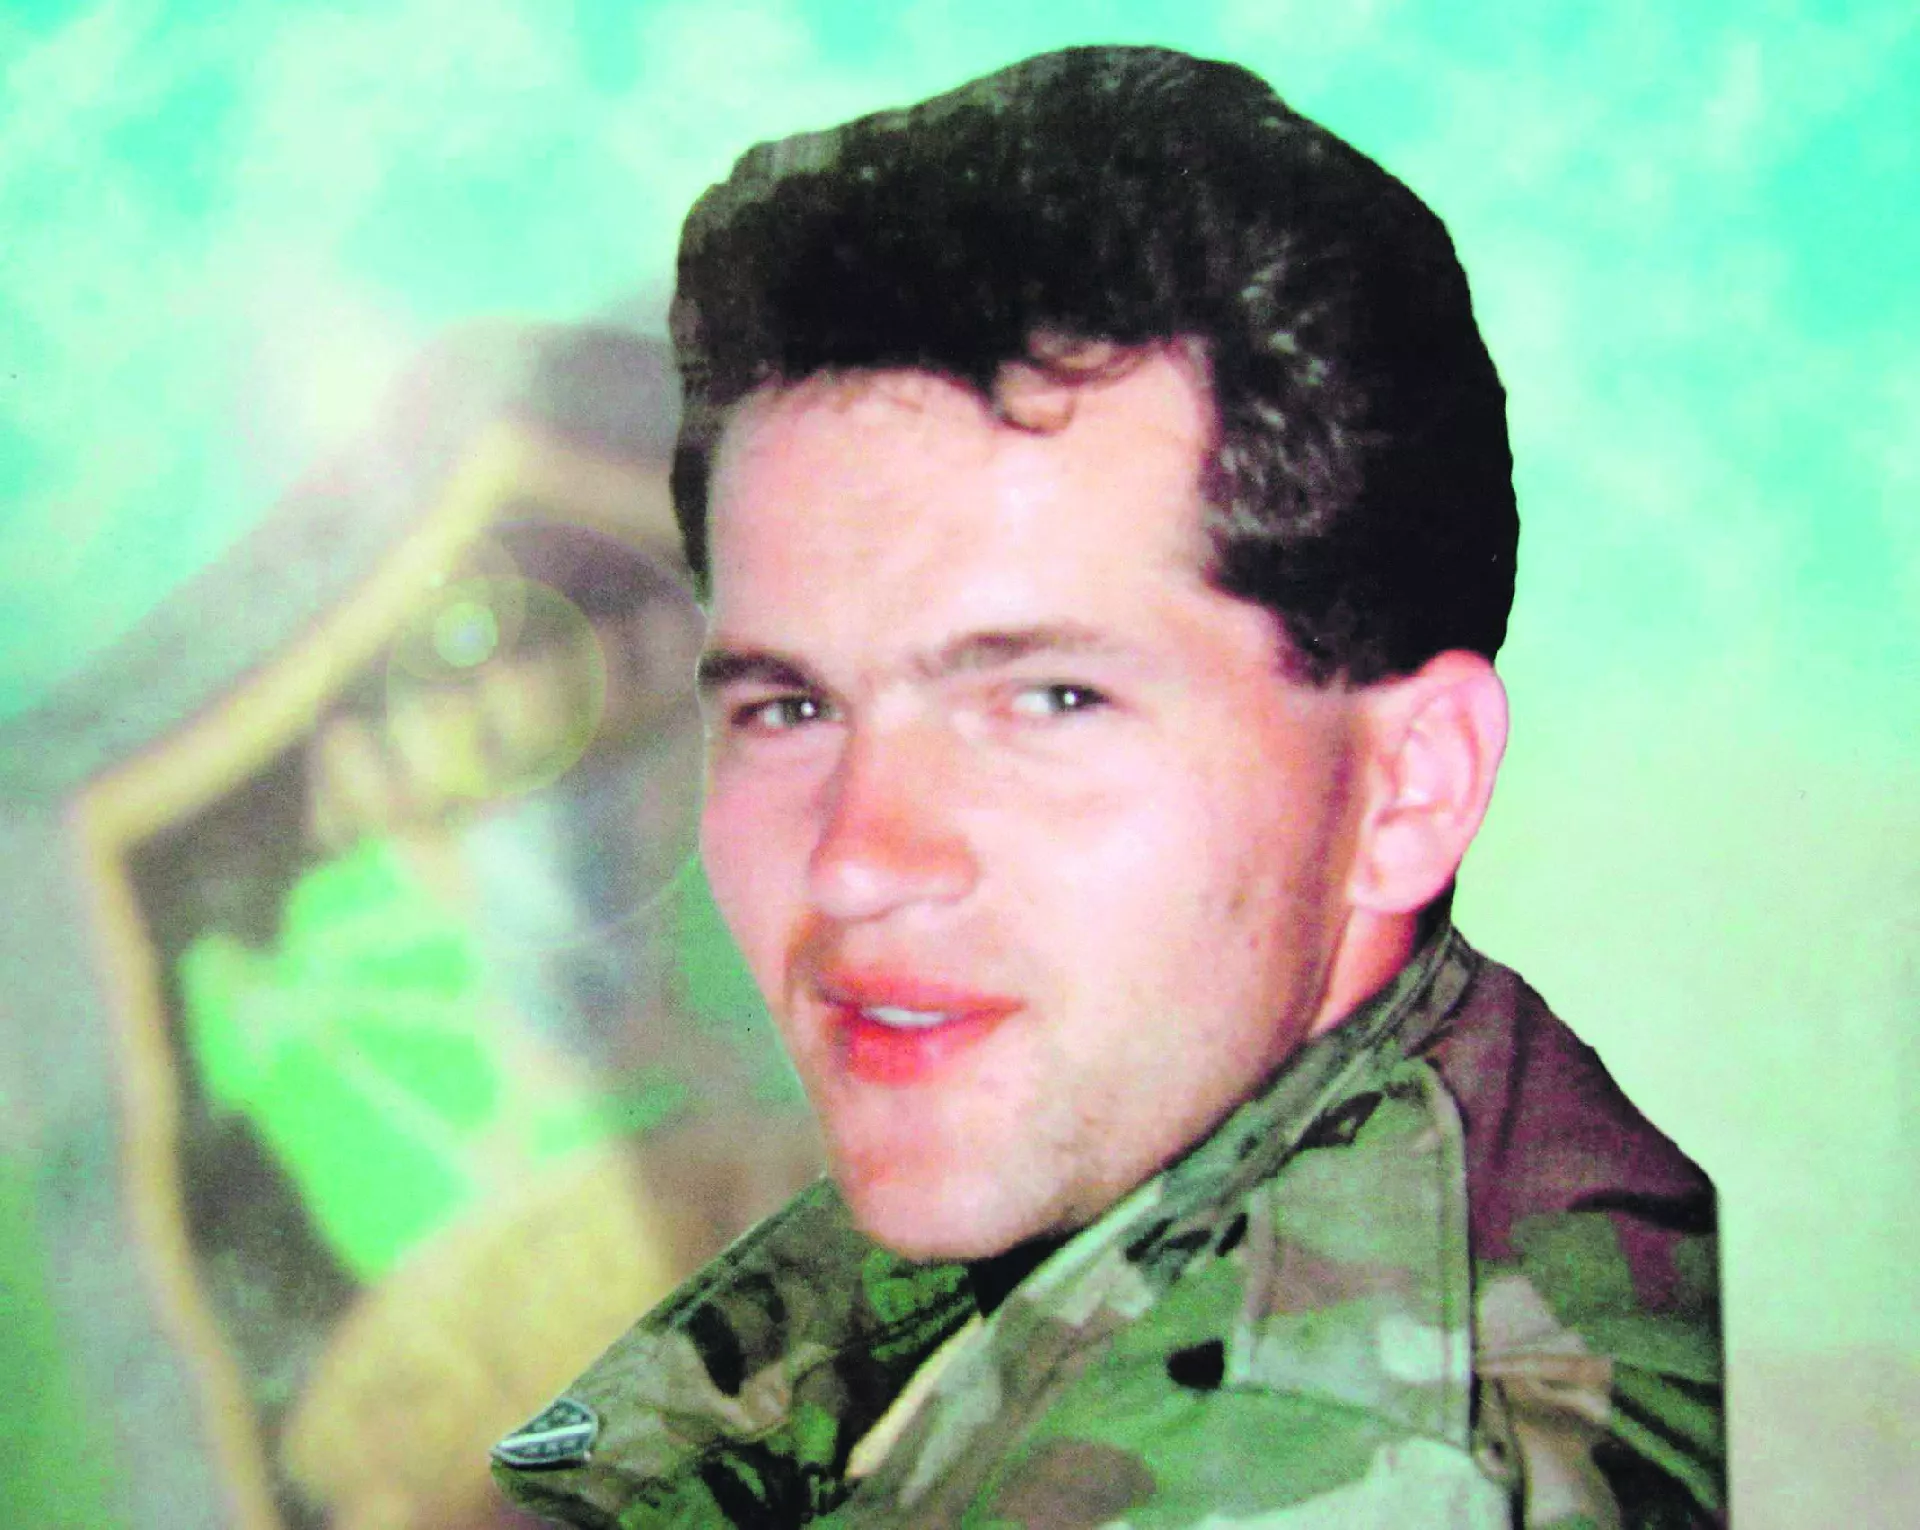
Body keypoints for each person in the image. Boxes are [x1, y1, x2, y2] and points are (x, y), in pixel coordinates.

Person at [492, 45, 1725, 1527]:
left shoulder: (1340, 1471)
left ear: (1409, 789)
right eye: (790, 705)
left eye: (1051, 700)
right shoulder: (1132, 1164)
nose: (855, 859)